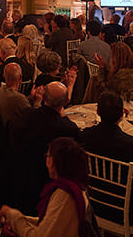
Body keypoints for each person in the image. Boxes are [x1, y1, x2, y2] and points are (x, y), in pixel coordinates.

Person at [0, 137, 88, 237]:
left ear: (52, 161)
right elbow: (51, 224)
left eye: (48, 155)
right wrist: (14, 219)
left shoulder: (65, 195)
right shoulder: (74, 187)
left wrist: (13, 215)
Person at [80, 91, 133, 226]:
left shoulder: (85, 137)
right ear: (122, 114)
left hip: (93, 203)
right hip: (128, 213)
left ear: (97, 111)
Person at [5, 82, 81, 214]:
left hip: (20, 179)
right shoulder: (68, 129)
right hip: (51, 184)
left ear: (44, 98)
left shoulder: (26, 115)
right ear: (67, 102)